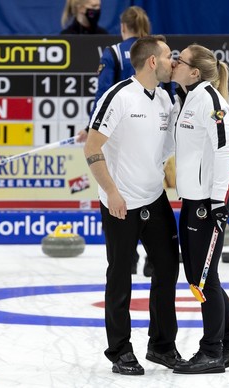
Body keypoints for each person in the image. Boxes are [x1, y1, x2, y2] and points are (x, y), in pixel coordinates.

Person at [83, 35, 182, 375]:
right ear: (152, 61)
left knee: (168, 268)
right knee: (120, 275)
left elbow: (166, 150)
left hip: (155, 198)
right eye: (169, 55)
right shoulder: (118, 97)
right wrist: (111, 191)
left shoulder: (166, 100)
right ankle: (120, 351)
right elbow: (92, 147)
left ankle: (162, 346)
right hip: (120, 200)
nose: (175, 60)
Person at [169, 44, 229, 374]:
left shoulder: (212, 101)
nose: (174, 63)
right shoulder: (187, 99)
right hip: (192, 199)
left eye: (181, 61)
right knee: (197, 276)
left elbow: (222, 152)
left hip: (208, 203)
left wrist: (218, 201)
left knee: (205, 279)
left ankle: (212, 350)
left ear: (194, 72)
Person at [80, 5, 152, 275]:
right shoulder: (154, 50)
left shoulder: (112, 53)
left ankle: (127, 255)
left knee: (117, 191)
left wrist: (91, 127)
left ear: (123, 28)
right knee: (149, 193)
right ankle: (152, 254)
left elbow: (103, 93)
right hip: (149, 131)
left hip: (117, 133)